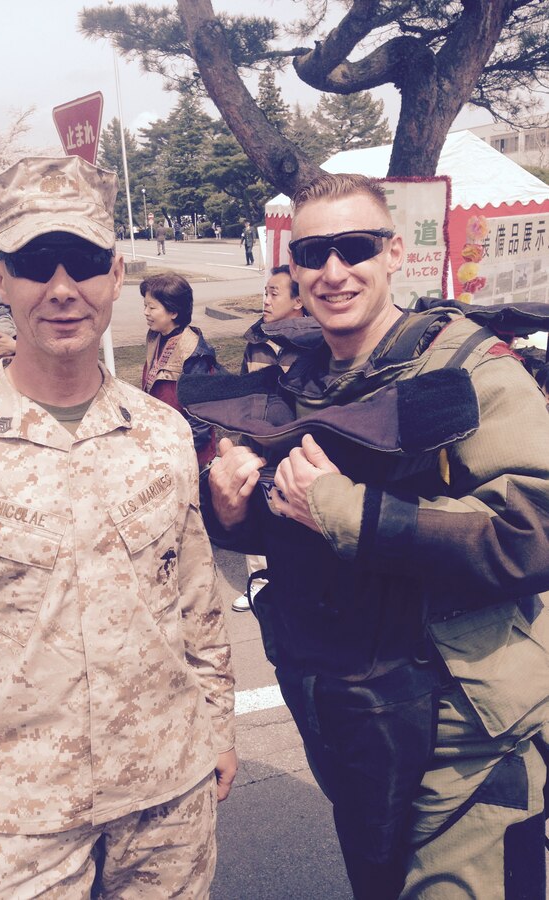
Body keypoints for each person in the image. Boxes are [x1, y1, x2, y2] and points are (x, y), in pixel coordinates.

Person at [0, 155, 236, 900]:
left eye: (82, 262)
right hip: (16, 821)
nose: (62, 288)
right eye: (37, 263)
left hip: (168, 792)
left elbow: (197, 600)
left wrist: (216, 725)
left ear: (116, 272)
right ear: (0, 279)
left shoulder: (163, 434)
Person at [182, 172, 549, 899]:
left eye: (353, 247)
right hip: (351, 718)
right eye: (313, 252)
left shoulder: (469, 369)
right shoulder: (301, 381)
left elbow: (531, 533)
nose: (332, 271)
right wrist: (233, 508)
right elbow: (293, 519)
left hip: (463, 732)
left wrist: (346, 510)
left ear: (392, 254)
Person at [233, 265, 322, 612]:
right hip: (258, 443)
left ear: (298, 300)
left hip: (297, 449)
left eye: (274, 293)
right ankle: (258, 582)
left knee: (297, 517)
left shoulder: (316, 344)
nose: (265, 301)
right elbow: (244, 391)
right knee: (257, 508)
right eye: (264, 293)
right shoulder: (255, 341)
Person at [142, 272, 222, 469]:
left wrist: (176, 458)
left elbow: (200, 421)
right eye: (145, 306)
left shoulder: (194, 354)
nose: (146, 312)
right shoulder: (155, 338)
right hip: (162, 449)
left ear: (173, 312)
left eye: (152, 307)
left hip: (185, 459)